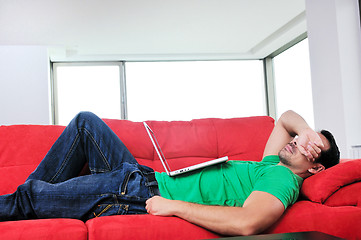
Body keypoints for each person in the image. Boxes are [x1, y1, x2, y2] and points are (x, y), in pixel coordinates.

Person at [0, 110, 340, 236]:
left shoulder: (284, 180)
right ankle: (34, 198)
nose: (297, 141)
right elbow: (284, 118)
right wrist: (311, 134)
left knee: (29, 198)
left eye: (309, 148)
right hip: (142, 176)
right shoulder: (273, 165)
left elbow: (246, 223)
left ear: (316, 168)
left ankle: (28, 200)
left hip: (138, 193)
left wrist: (173, 206)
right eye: (299, 139)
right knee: (86, 124)